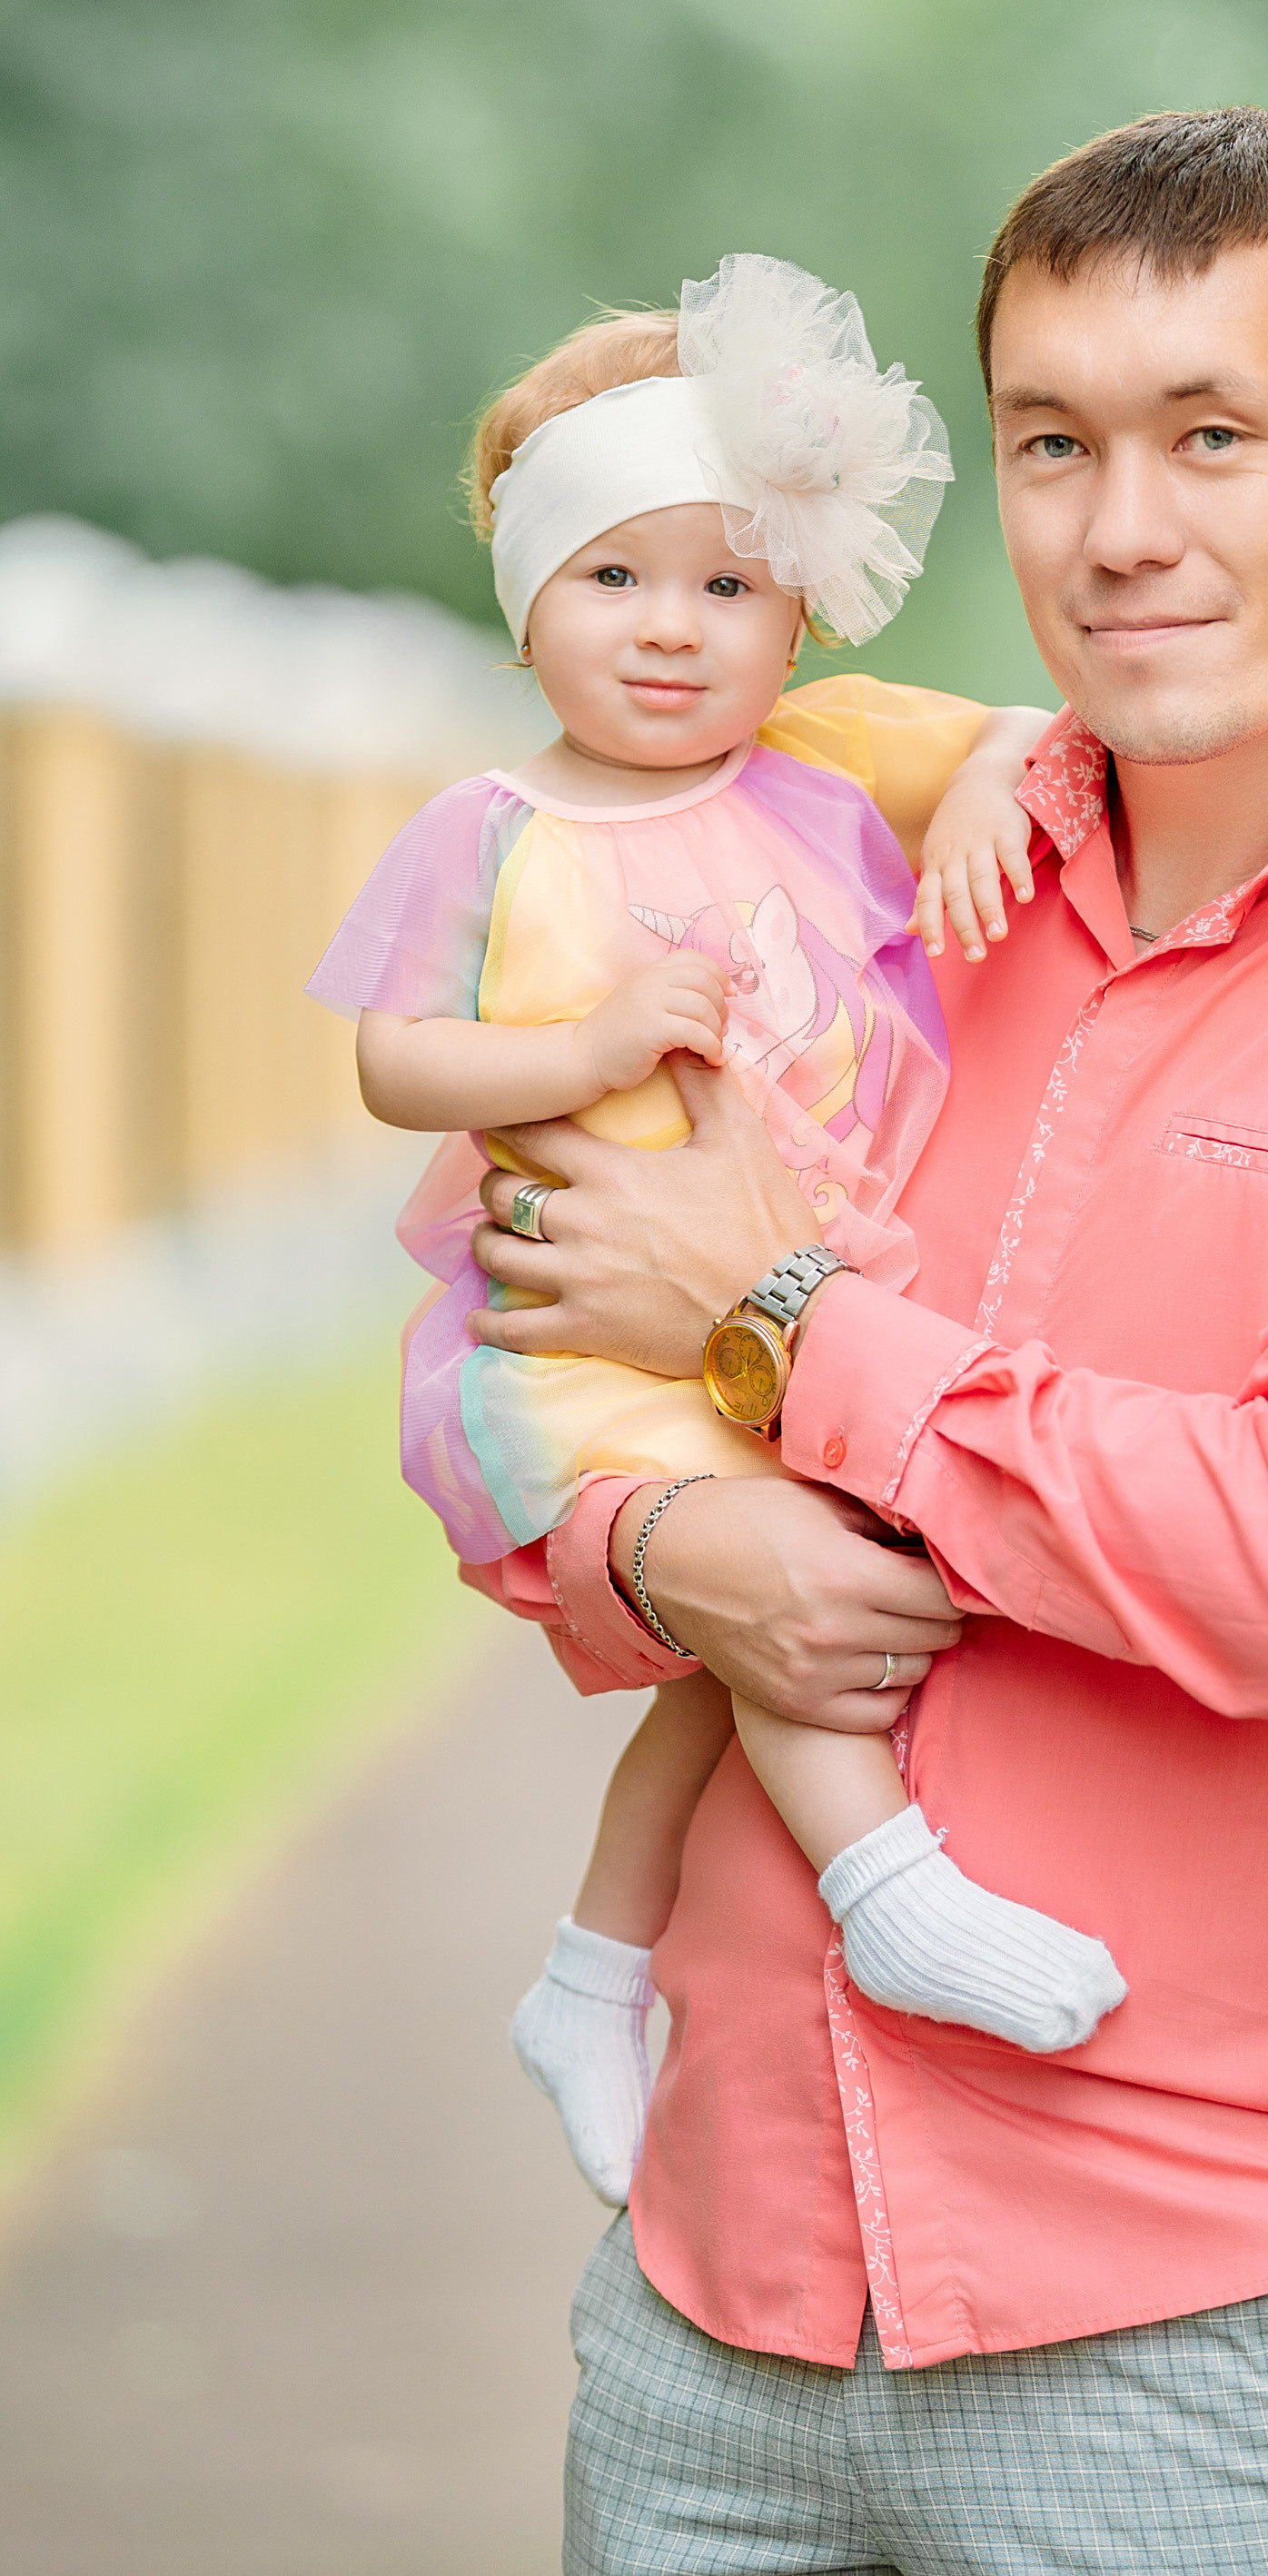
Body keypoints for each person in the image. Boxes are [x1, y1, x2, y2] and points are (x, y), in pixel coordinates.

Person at [464, 110, 1268, 2575]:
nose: (1119, 527)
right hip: (709, 2315)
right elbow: (544, 1328)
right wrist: (670, 1547)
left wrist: (788, 1318)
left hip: (1209, 2352)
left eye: (1211, 434)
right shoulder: (857, 870)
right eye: (1052, 442)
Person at [309, 253, 1124, 2208]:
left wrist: (987, 782)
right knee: (784, 1604)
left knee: (728, 1652)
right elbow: (393, 1058)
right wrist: (580, 1048)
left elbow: (1031, 728)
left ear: (795, 614)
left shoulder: (819, 764)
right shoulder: (493, 829)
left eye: (730, 586)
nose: (672, 628)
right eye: (614, 577)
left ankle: (591, 1974)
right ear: (530, 605)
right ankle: (888, 1886)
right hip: (588, 1332)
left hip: (789, 1285)